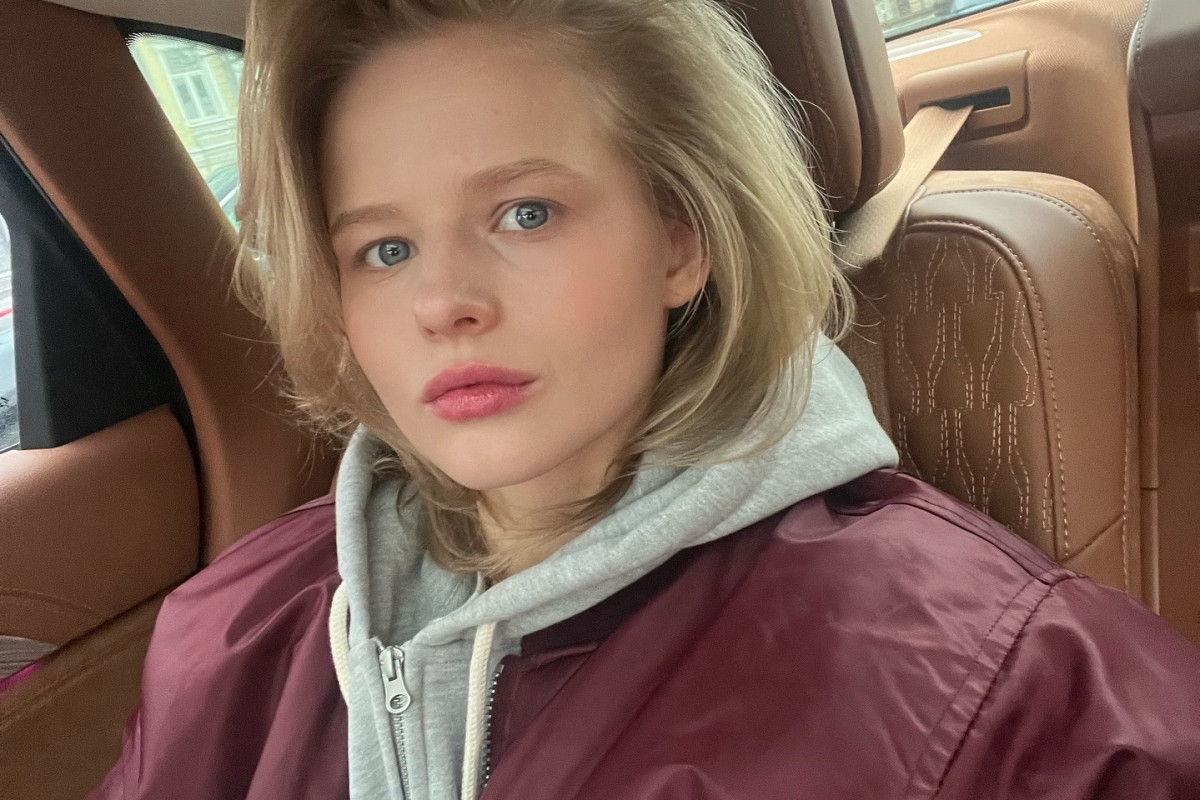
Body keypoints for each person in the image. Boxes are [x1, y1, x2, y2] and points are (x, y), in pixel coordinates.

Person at [91, 0, 1200, 797]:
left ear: (680, 239)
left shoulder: (1016, 693)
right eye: (384, 249)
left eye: (525, 213)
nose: (443, 302)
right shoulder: (226, 633)